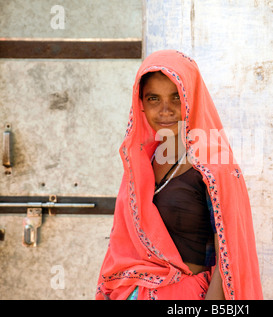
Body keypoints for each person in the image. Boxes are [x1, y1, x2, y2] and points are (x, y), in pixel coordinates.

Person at [96, 50, 263, 300]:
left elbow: (228, 254)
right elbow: (123, 246)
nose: (166, 110)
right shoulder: (141, 163)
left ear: (191, 98)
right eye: (153, 99)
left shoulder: (214, 169)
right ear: (140, 103)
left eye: (176, 97)